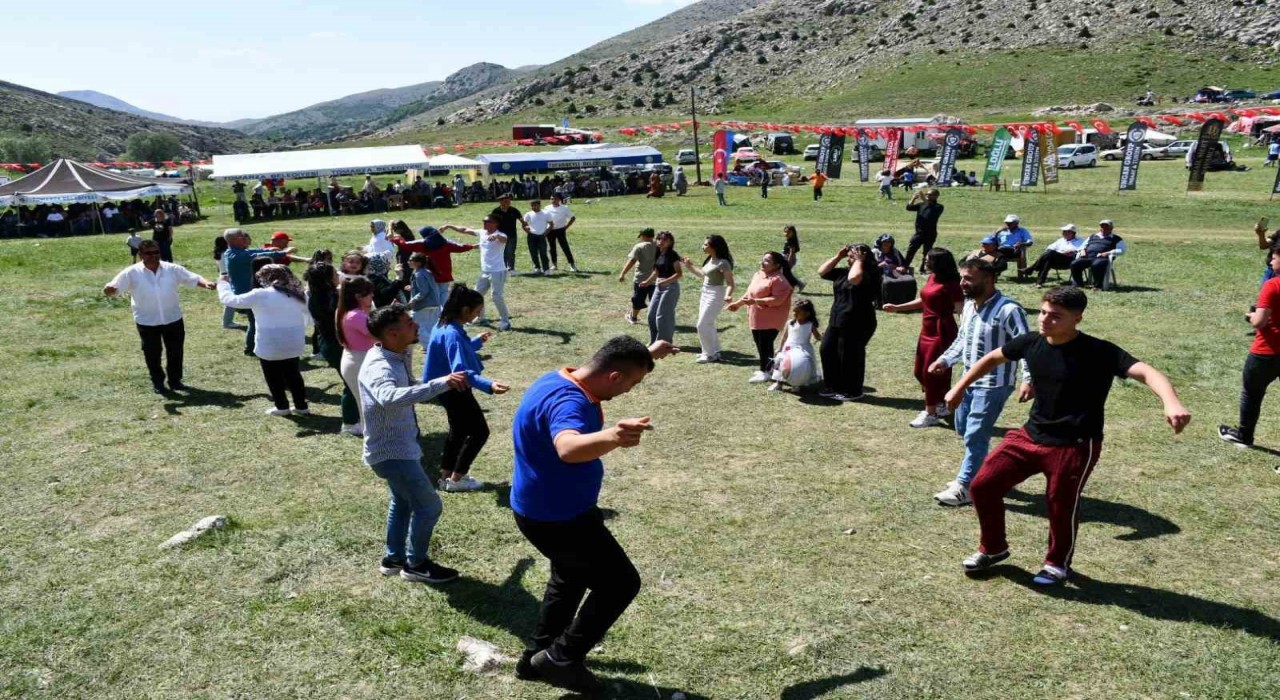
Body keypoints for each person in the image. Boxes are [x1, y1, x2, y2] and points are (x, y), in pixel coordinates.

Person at [951, 286, 1190, 585]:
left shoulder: (1099, 351)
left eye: (1056, 316)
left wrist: (1171, 401)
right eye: (1043, 312)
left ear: (1078, 318)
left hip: (1075, 444)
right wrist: (959, 387)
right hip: (1031, 435)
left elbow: (1147, 372)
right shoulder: (1032, 342)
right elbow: (992, 358)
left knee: (1060, 504)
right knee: (983, 485)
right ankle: (994, 548)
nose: (1045, 320)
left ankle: (1056, 564)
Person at [511, 336, 679, 693]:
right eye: (631, 383)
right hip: (560, 518)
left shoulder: (559, 378)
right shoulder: (570, 402)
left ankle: (536, 659)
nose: (629, 391)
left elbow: (615, 366)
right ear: (615, 376)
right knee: (620, 583)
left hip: (541, 508)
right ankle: (561, 658)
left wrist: (646, 356)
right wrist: (614, 436)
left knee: (568, 578)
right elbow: (568, 448)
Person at [358, 304, 470, 584]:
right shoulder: (379, 365)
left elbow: (408, 385)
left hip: (398, 449)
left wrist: (445, 385)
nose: (417, 324)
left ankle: (394, 558)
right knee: (430, 506)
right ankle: (416, 565)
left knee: (403, 501)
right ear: (393, 332)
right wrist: (442, 383)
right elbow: (389, 396)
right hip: (392, 453)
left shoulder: (394, 354)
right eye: (410, 322)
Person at [928, 258, 1030, 507]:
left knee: (975, 434)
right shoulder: (969, 307)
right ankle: (993, 475)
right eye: (962, 277)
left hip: (995, 383)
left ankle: (966, 487)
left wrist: (1029, 378)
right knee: (963, 429)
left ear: (989, 279)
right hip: (968, 381)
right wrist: (945, 359)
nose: (962, 283)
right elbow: (962, 341)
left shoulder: (1009, 310)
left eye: (969, 279)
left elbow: (1028, 346)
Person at [424, 285, 511, 493]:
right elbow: (461, 371)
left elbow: (456, 350)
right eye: (477, 310)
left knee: (458, 430)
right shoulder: (453, 333)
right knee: (480, 431)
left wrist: (475, 342)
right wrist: (488, 384)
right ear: (465, 310)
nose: (479, 314)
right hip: (454, 388)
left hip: (443, 388)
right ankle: (457, 479)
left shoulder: (442, 325)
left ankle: (445, 476)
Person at [103, 239, 215, 394]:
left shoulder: (171, 269)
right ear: (141, 255)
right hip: (146, 321)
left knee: (175, 351)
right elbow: (114, 287)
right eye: (149, 253)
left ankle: (175, 381)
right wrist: (109, 290)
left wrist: (207, 283)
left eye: (156, 252)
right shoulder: (131, 272)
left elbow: (193, 278)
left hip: (172, 318)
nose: (154, 255)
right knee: (152, 354)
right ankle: (158, 382)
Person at [883, 248, 963, 427]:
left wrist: (968, 332)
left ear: (938, 262)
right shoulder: (932, 278)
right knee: (919, 371)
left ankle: (931, 413)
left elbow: (961, 309)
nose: (924, 261)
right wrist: (898, 307)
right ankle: (943, 403)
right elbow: (924, 301)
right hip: (926, 330)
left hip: (942, 331)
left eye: (927, 259)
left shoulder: (952, 284)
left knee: (931, 373)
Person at [218, 265, 313, 417]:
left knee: (273, 377)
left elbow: (230, 300)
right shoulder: (298, 294)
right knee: (294, 375)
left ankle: (282, 407)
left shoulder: (260, 294)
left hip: (270, 344)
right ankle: (301, 406)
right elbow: (310, 314)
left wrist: (223, 284)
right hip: (293, 342)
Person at [1220, 247, 1280, 447]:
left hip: (1267, 351)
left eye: (1273, 258)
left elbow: (1259, 322)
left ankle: (1244, 436)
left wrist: (1251, 316)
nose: (1271, 263)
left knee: (1252, 392)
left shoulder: (1272, 285)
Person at [221, 228, 304, 356]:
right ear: (234, 239)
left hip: (249, 292)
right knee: (255, 322)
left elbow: (254, 251)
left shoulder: (234, 252)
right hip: (246, 294)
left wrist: (269, 250)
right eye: (242, 236)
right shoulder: (235, 255)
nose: (245, 238)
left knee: (255, 321)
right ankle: (251, 348)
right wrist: (282, 253)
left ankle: (251, 347)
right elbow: (254, 255)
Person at [817, 244, 881, 401]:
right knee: (827, 350)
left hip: (858, 321)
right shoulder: (843, 273)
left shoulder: (869, 274)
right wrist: (838, 256)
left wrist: (859, 261)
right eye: (850, 255)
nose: (849, 258)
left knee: (850, 356)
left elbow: (854, 279)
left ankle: (853, 390)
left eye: (853, 255)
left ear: (863, 257)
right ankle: (833, 385)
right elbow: (822, 271)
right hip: (837, 319)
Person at [728, 251, 796, 383]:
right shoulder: (758, 275)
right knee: (759, 343)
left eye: (767, 261)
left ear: (776, 265)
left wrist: (756, 302)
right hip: (757, 316)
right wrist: (738, 304)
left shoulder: (779, 280)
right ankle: (766, 369)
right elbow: (750, 293)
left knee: (765, 345)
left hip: (771, 319)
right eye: (763, 259)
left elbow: (777, 300)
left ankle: (766, 372)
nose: (762, 262)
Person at [446, 217, 511, 331]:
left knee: (496, 296)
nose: (485, 224)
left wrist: (496, 236)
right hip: (485, 271)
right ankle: (481, 318)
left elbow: (504, 239)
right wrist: (449, 226)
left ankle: (505, 321)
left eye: (487, 222)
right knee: (476, 295)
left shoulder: (501, 234)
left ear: (495, 223)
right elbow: (465, 230)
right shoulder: (481, 232)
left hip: (498, 271)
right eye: (484, 222)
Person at [681, 235, 736, 363]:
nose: (703, 246)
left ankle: (709, 354)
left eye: (706, 245)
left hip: (716, 294)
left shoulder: (723, 263)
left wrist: (728, 295)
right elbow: (703, 274)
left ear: (714, 247)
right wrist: (689, 265)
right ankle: (713, 351)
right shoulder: (710, 260)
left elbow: (730, 284)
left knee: (702, 324)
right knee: (708, 323)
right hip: (705, 292)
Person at [337, 276, 378, 436]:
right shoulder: (356, 315)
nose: (372, 296)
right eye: (369, 294)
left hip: (357, 358)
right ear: (358, 296)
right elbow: (379, 334)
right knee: (368, 404)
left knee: (366, 404)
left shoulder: (353, 312)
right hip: (360, 360)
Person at [392, 225, 477, 301]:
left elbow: (405, 245)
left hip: (429, 275)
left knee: (432, 295)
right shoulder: (446, 243)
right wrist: (472, 246)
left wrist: (396, 239)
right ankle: (443, 314)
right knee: (444, 295)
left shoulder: (423, 244)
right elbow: (460, 247)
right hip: (444, 275)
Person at [769, 298, 823, 392]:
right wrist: (779, 348)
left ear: (807, 313)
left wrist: (821, 337)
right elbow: (784, 337)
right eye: (794, 311)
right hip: (789, 347)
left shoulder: (810, 324)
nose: (795, 313)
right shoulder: (790, 323)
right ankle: (778, 383)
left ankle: (796, 384)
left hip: (803, 349)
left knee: (800, 367)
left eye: (798, 311)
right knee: (782, 364)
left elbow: (817, 336)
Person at [642, 230, 682, 344]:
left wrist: (666, 281)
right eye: (659, 239)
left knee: (662, 315)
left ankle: (664, 343)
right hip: (659, 286)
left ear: (670, 242)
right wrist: (647, 281)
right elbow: (656, 271)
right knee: (651, 314)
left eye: (665, 240)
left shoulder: (672, 255)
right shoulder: (658, 253)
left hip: (670, 287)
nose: (661, 242)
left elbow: (679, 274)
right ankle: (653, 341)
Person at [1070, 219, 1126, 289]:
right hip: (1087, 257)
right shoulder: (1093, 236)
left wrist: (1108, 253)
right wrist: (1082, 250)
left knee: (1096, 265)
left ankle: (1098, 285)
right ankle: (1078, 284)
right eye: (1102, 226)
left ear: (1111, 228)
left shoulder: (1116, 239)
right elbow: (1082, 245)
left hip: (1102, 258)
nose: (1104, 228)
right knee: (1075, 264)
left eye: (1106, 226)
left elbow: (1121, 250)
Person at [619, 229, 657, 326]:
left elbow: (632, 261)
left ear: (643, 236)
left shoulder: (639, 247)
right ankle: (656, 319)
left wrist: (623, 273)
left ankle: (633, 317)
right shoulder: (659, 245)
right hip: (655, 278)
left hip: (641, 279)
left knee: (638, 299)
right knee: (655, 299)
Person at [406, 252, 443, 343]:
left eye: (411, 260)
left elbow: (423, 292)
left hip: (424, 305)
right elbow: (428, 288)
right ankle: (437, 345)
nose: (408, 262)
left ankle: (430, 346)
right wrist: (412, 288)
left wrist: (411, 301)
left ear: (418, 263)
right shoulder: (427, 272)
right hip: (434, 303)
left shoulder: (418, 274)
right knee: (431, 328)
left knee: (419, 328)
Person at [904, 188, 944, 269]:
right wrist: (913, 198)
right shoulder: (921, 204)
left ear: (936, 196)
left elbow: (930, 206)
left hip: (930, 233)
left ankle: (923, 268)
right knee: (911, 250)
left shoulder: (939, 207)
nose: (928, 196)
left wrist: (922, 196)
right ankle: (905, 266)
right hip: (919, 233)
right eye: (927, 194)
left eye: (930, 195)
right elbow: (909, 208)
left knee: (926, 252)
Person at [545, 193, 579, 273]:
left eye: (555, 199)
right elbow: (545, 218)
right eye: (551, 199)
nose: (553, 200)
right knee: (552, 248)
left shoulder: (564, 208)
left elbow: (573, 218)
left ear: (559, 200)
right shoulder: (546, 208)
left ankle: (572, 265)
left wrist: (566, 227)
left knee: (565, 247)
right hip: (550, 230)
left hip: (560, 230)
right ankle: (554, 264)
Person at [993, 214, 1034, 279]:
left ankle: (1000, 268)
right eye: (1007, 223)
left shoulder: (1022, 231)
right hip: (1002, 250)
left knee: (1000, 253)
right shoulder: (1002, 231)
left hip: (1015, 250)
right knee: (999, 252)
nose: (1008, 224)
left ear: (1016, 223)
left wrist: (1022, 244)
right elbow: (993, 241)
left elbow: (1030, 242)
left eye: (1010, 223)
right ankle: (1001, 266)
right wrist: (997, 232)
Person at [490, 195, 522, 272]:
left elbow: (521, 219)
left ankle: (511, 268)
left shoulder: (514, 210)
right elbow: (492, 223)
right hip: (500, 236)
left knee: (511, 252)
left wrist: (525, 224)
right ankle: (502, 267)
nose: (508, 203)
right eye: (505, 201)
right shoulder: (496, 211)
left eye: (509, 201)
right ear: (500, 202)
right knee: (501, 252)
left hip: (512, 234)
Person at [522, 199, 554, 275]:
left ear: (539, 205)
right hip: (531, 236)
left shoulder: (546, 213)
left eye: (535, 205)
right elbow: (524, 224)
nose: (533, 207)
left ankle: (546, 269)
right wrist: (528, 231)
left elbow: (551, 224)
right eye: (532, 205)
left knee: (543, 253)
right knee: (533, 253)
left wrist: (545, 233)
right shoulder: (528, 214)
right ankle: (537, 268)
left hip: (541, 236)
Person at [782, 225, 805, 291]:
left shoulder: (791, 241)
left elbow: (791, 252)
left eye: (788, 232)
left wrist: (788, 261)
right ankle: (794, 286)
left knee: (786, 274)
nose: (786, 234)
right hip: (786, 257)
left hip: (789, 258)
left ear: (793, 233)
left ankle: (799, 284)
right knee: (785, 274)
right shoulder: (789, 239)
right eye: (785, 232)